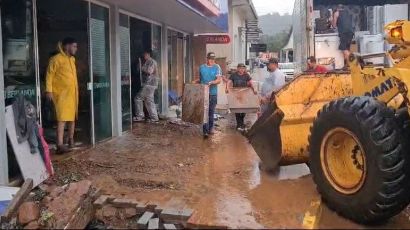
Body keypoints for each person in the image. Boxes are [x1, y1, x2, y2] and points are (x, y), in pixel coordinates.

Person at [45, 37, 79, 154]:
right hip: (61, 94)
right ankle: (59, 144)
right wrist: (49, 91)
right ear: (66, 46)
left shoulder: (72, 60)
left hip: (72, 94)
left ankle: (70, 139)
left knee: (72, 118)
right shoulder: (56, 59)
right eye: (74, 46)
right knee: (62, 119)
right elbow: (49, 75)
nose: (76, 49)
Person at [194, 52, 222, 138]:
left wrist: (212, 82)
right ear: (207, 59)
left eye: (213, 59)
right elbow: (201, 79)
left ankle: (211, 128)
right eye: (210, 59)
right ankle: (205, 130)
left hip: (213, 93)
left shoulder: (217, 67)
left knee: (211, 111)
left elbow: (219, 80)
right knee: (204, 112)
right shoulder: (202, 67)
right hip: (203, 92)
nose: (211, 61)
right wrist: (195, 81)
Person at [226, 63, 257, 131]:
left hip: (244, 95)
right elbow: (229, 82)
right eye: (240, 68)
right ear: (237, 69)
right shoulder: (233, 75)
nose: (241, 70)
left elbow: (251, 82)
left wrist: (254, 89)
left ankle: (241, 122)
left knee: (243, 110)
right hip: (236, 95)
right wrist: (227, 88)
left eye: (243, 68)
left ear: (244, 69)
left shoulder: (246, 75)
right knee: (237, 109)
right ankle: (239, 124)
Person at [133, 50, 160, 123]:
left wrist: (141, 67)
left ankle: (140, 116)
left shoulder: (151, 61)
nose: (143, 55)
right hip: (151, 84)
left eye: (144, 54)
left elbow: (149, 71)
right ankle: (154, 118)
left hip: (149, 84)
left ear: (148, 54)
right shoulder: (150, 61)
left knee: (138, 98)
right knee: (149, 101)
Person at [332, 4, 354, 70]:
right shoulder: (348, 13)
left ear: (337, 9)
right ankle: (347, 66)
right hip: (350, 32)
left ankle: (354, 63)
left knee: (344, 49)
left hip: (344, 32)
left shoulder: (336, 13)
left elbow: (334, 26)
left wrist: (331, 20)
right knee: (347, 49)